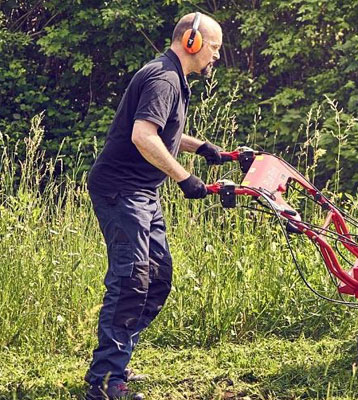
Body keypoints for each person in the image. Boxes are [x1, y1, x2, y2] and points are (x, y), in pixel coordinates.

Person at [84, 12, 224, 400]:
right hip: (121, 191)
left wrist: (202, 147)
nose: (215, 57)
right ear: (191, 42)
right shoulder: (163, 78)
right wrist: (185, 178)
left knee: (157, 280)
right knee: (131, 279)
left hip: (142, 193)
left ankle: (117, 360)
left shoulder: (173, 77)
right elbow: (144, 136)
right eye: (214, 48)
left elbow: (162, 131)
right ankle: (105, 381)